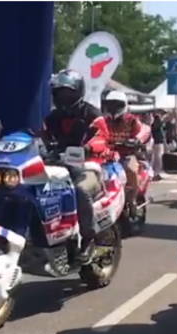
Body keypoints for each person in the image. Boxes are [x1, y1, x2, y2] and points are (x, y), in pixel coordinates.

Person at [42, 69, 102, 262]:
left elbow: (102, 136)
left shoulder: (92, 114)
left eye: (68, 93)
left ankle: (89, 239)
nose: (63, 98)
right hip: (58, 165)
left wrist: (89, 148)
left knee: (80, 191)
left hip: (88, 165)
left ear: (78, 92)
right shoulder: (51, 118)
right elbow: (41, 138)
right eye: (59, 94)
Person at [88, 91, 151, 209]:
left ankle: (132, 199)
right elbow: (93, 134)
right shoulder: (102, 121)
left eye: (117, 105)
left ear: (124, 105)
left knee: (131, 170)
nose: (113, 108)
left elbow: (145, 130)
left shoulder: (131, 120)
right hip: (107, 156)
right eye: (110, 105)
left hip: (126, 155)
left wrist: (136, 140)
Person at [150, 112, 166, 181]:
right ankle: (155, 174)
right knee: (158, 159)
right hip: (157, 143)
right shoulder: (156, 124)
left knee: (157, 159)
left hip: (157, 142)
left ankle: (156, 174)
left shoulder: (155, 125)